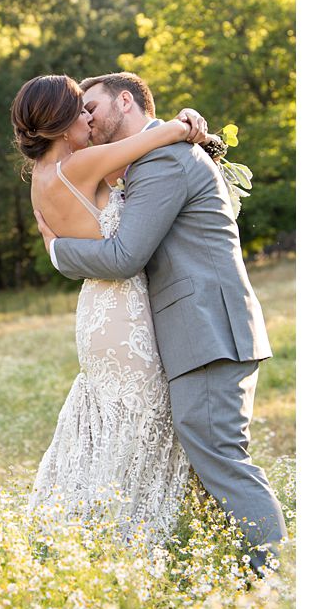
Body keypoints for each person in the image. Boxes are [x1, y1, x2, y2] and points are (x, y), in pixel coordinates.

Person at [33, 70, 285, 577]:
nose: (87, 117)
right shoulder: (144, 160)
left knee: (220, 458)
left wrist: (59, 253)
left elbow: (125, 255)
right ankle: (227, 573)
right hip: (191, 331)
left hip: (208, 330)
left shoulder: (165, 158)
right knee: (203, 461)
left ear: (125, 102)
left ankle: (279, 578)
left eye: (94, 107)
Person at [12, 74, 205, 548]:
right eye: (80, 112)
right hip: (123, 313)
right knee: (146, 424)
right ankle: (132, 538)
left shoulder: (42, 180)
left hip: (96, 309)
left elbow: (63, 249)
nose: (88, 119)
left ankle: (86, 533)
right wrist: (189, 122)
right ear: (60, 125)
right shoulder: (83, 165)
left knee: (109, 422)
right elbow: (161, 136)